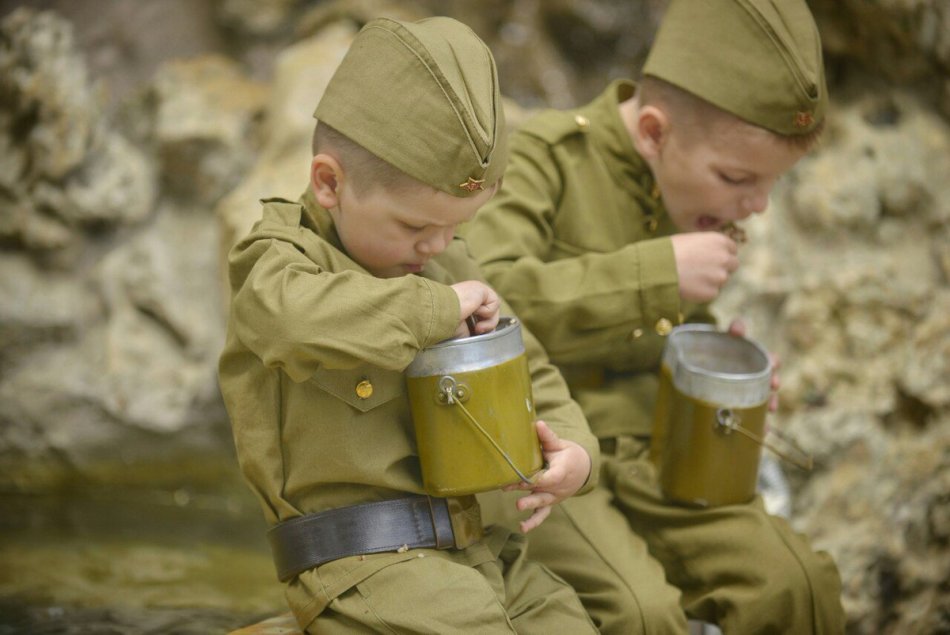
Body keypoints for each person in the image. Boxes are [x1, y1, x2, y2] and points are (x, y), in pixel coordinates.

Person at [465, 0, 846, 633]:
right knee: (640, 615)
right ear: (652, 132)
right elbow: (490, 298)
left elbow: (662, 329)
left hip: (660, 445)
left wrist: (716, 360)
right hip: (545, 451)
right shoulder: (544, 156)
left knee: (795, 586)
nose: (754, 206)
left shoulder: (694, 192)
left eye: (770, 185)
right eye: (737, 178)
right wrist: (657, 275)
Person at [217, 17, 601, 634]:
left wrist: (578, 452)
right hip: (360, 565)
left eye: (456, 226)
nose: (439, 245)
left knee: (566, 622)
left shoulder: (444, 261)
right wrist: (435, 311)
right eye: (416, 227)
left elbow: (527, 366)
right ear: (329, 183)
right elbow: (292, 323)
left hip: (476, 547)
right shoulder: (276, 265)